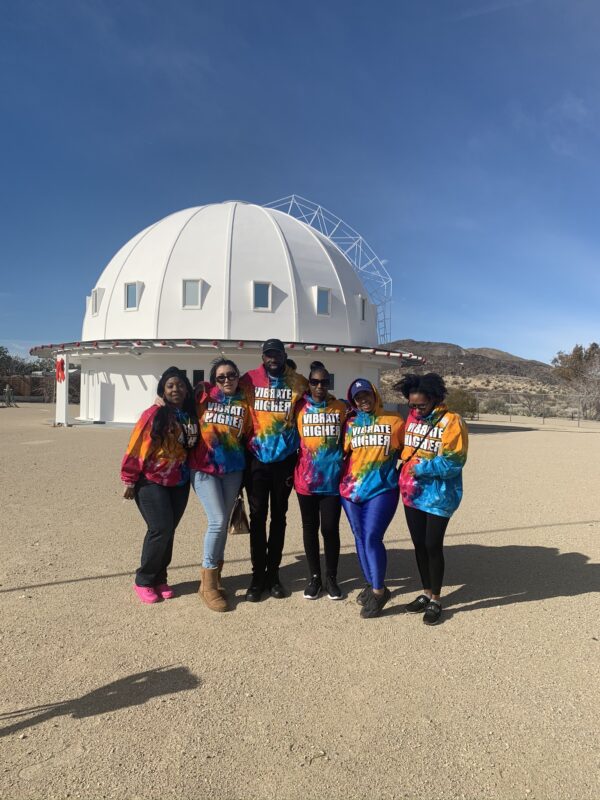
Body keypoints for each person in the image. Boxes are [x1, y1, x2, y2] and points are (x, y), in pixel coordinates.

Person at [121, 367, 199, 604]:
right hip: (151, 481)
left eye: (181, 385)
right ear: (163, 390)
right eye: (170, 386)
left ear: (187, 389)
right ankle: (143, 579)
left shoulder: (190, 415)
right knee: (160, 528)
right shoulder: (154, 414)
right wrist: (129, 479)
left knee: (168, 531)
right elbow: (137, 446)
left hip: (179, 481)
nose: (176, 389)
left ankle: (160, 578)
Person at [396, 373, 468, 625]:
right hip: (412, 494)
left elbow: (454, 461)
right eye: (412, 405)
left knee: (432, 545)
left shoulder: (452, 422)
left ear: (435, 399)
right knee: (418, 545)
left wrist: (421, 468)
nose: (416, 409)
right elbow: (406, 450)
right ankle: (426, 592)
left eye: (421, 405)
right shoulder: (413, 419)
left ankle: (436, 598)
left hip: (439, 496)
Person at [240, 338, 308, 601]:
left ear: (283, 355)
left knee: (279, 517)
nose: (273, 359)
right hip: (257, 459)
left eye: (277, 354)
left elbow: (317, 400)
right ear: (263, 357)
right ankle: (258, 577)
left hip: (284, 461)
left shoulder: (298, 381)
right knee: (258, 518)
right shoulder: (249, 379)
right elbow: (226, 393)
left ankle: (274, 574)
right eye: (268, 355)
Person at [189, 358, 252, 612]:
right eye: (221, 377)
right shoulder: (203, 397)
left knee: (223, 521)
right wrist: (159, 400)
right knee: (216, 521)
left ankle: (216, 576)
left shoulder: (245, 401)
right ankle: (208, 583)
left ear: (238, 376)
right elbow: (178, 404)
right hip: (204, 468)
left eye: (231, 375)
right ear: (214, 380)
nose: (227, 380)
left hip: (233, 469)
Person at [340, 379, 405, 618]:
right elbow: (344, 453)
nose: (363, 400)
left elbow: (408, 453)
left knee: (372, 537)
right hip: (350, 491)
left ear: (375, 394)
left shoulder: (395, 421)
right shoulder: (350, 424)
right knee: (358, 536)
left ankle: (379, 591)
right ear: (353, 400)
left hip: (381, 489)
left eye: (366, 394)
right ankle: (371, 583)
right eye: (358, 397)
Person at [294, 361, 348, 600]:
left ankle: (332, 577)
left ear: (329, 384)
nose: (319, 386)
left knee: (329, 528)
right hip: (305, 481)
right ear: (309, 383)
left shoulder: (341, 408)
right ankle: (314, 577)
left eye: (324, 382)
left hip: (332, 481)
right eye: (314, 382)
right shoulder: (299, 408)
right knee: (310, 528)